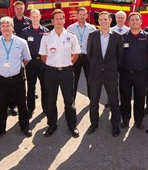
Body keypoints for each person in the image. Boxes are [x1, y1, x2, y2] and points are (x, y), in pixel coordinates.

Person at [0, 16, 32, 140]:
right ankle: (0, 129)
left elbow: (26, 59)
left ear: (12, 27)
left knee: (22, 104)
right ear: (0, 28)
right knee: (1, 105)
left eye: (8, 26)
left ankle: (24, 126)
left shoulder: (21, 42)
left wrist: (16, 67)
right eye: (3, 26)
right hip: (1, 80)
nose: (6, 28)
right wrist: (2, 69)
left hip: (17, 79)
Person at [39, 9, 81, 138]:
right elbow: (43, 56)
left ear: (64, 20)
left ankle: (72, 125)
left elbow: (76, 54)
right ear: (52, 21)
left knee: (69, 101)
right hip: (51, 72)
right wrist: (53, 65)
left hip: (67, 72)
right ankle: (51, 125)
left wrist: (67, 64)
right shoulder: (46, 37)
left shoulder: (71, 36)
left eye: (61, 18)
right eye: (56, 19)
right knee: (51, 101)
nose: (58, 21)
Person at [86, 11, 124, 137]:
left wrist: (111, 67)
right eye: (101, 19)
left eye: (105, 19)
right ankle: (94, 123)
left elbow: (120, 56)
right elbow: (89, 54)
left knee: (114, 101)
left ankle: (115, 125)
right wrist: (98, 66)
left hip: (111, 73)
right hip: (95, 73)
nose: (103, 22)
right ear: (98, 21)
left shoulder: (117, 37)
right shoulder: (92, 35)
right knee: (94, 101)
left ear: (110, 20)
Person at [119, 12, 148, 129]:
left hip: (141, 73)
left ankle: (138, 121)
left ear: (141, 22)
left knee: (140, 98)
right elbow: (119, 54)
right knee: (125, 98)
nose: (134, 21)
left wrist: (142, 62)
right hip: (125, 73)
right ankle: (125, 120)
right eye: (132, 20)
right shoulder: (123, 37)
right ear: (128, 22)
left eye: (136, 19)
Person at [21, 9, 49, 116]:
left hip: (43, 62)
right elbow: (22, 49)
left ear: (40, 17)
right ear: (30, 18)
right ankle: (30, 108)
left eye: (37, 16)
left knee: (45, 86)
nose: (35, 18)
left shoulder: (46, 31)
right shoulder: (25, 32)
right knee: (31, 87)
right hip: (31, 63)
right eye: (33, 17)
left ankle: (46, 108)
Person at [67, 7, 96, 99]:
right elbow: (67, 44)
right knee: (73, 80)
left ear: (87, 15)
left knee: (90, 80)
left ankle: (92, 101)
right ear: (77, 15)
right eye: (80, 14)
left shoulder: (92, 28)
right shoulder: (70, 28)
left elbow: (95, 44)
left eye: (84, 14)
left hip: (87, 57)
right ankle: (72, 101)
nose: (82, 16)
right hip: (75, 57)